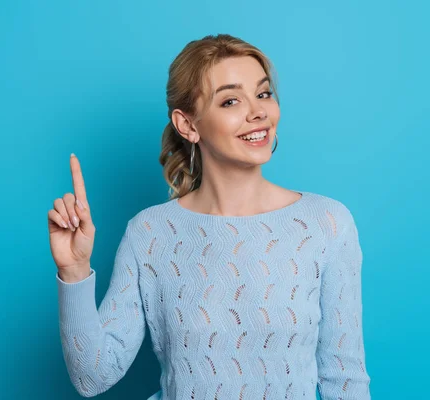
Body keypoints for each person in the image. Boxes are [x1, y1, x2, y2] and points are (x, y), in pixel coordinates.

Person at [47, 34, 371, 400]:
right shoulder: (149, 234)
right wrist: (74, 271)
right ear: (187, 125)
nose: (258, 111)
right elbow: (93, 377)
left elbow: (345, 380)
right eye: (231, 100)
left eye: (263, 93)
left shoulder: (325, 223)